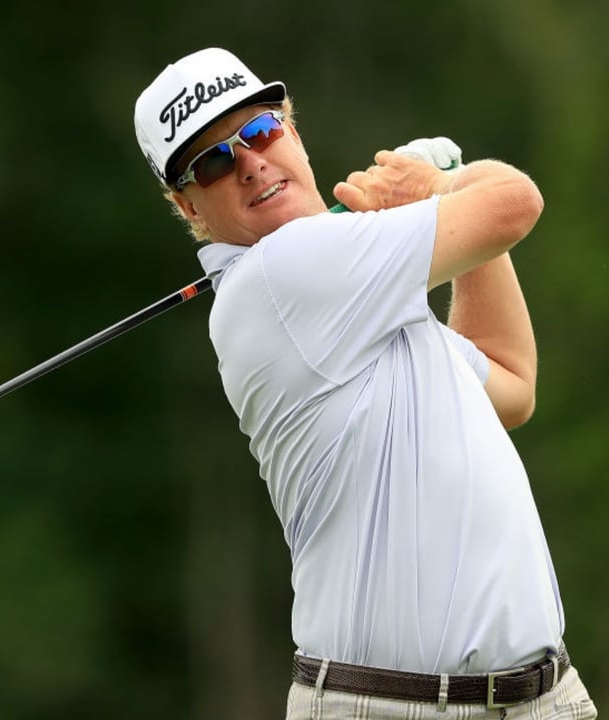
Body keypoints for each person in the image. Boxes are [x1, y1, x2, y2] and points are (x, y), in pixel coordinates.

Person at [133, 48, 597, 719]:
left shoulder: (364, 303)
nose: (250, 162)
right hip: (391, 706)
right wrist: (444, 186)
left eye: (260, 131)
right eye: (213, 162)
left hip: (543, 697)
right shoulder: (281, 275)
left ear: (292, 130)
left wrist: (446, 193)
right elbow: (514, 206)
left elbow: (511, 383)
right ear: (190, 208)